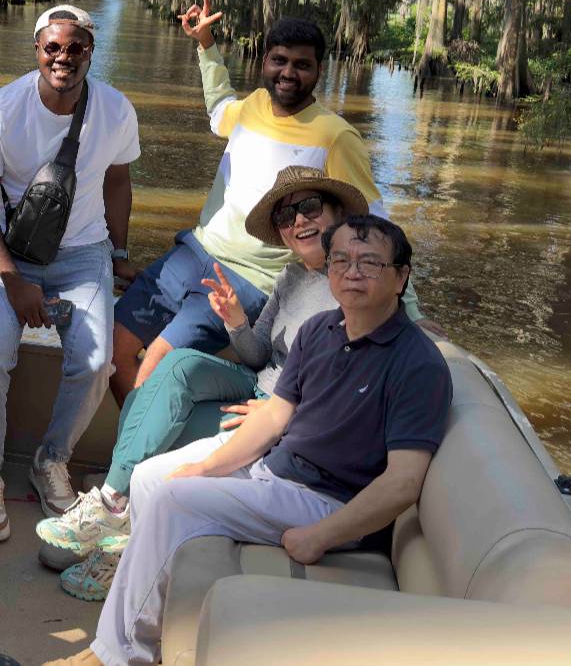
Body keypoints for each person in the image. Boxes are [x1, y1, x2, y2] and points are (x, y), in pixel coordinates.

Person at [52, 214, 453, 666]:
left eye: (370, 263)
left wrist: (320, 536)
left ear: (401, 278)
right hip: (276, 468)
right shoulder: (322, 330)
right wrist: (206, 468)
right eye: (340, 259)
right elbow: (275, 418)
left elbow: (404, 482)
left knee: (171, 500)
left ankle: (116, 655)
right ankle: (149, 606)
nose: (351, 271)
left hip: (325, 500)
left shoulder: (417, 363)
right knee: (149, 477)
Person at [37, 166, 367, 600]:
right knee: (178, 366)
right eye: (286, 216)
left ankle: (122, 531)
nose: (298, 221)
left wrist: (284, 412)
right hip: (255, 388)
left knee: (153, 438)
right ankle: (113, 502)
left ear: (338, 213)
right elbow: (259, 354)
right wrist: (235, 322)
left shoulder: (358, 286)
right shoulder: (289, 279)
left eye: (309, 207)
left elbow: (360, 374)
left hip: (282, 420)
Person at [110, 0, 433, 406]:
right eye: (279, 60)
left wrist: (410, 308)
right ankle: (130, 460)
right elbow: (218, 109)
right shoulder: (252, 107)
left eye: (302, 65)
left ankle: (125, 470)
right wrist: (206, 45)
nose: (288, 73)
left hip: (249, 279)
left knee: (154, 362)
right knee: (114, 353)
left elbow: (376, 225)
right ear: (264, 61)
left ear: (319, 71)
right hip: (192, 251)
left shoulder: (336, 136)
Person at [0, 3, 142, 540]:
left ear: (91, 51)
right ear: (37, 51)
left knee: (94, 363)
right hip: (8, 251)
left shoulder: (116, 109)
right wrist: (11, 279)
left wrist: (119, 251)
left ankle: (50, 460)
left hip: (85, 251)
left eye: (76, 48)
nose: (63, 58)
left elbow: (117, 183)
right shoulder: (0, 110)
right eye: (53, 48)